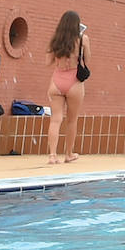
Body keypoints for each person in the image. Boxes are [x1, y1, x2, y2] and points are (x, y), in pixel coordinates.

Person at [44, 11, 90, 164]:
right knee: (72, 120)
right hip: (74, 83)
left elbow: (47, 62)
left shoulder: (55, 40)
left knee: (55, 120)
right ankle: (68, 154)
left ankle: (52, 155)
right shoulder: (82, 39)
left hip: (56, 81)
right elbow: (87, 60)